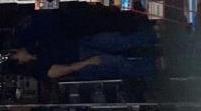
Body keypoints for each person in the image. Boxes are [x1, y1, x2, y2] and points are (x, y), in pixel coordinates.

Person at [11, 25, 159, 81]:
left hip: (80, 44)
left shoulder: (34, 47)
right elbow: (63, 69)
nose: (18, 50)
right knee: (118, 64)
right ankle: (155, 65)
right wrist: (87, 62)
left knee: (117, 40)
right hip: (82, 61)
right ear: (20, 61)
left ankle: (153, 35)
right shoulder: (38, 69)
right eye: (16, 53)